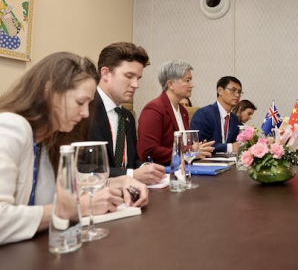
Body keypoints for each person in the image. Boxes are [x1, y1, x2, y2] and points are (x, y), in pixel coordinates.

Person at [0, 52, 148, 245]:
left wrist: (120, 181)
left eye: (88, 104)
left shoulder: (49, 140)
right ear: (49, 92)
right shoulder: (10, 127)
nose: (85, 113)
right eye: (80, 102)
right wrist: (77, 208)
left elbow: (72, 188)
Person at [89, 42, 165, 185]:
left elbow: (129, 161)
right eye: (129, 76)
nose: (136, 85)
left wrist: (145, 168)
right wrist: (132, 175)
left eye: (138, 78)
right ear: (105, 73)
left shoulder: (127, 116)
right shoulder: (84, 111)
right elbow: (82, 167)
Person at [137, 61, 214, 164]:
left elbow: (183, 146)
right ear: (170, 84)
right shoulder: (154, 109)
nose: (192, 85)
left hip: (183, 169)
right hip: (162, 173)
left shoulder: (183, 111)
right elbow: (149, 151)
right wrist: (188, 152)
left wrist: (197, 148)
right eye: (187, 80)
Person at [190, 76, 242, 153]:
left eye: (239, 92)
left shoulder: (234, 119)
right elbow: (199, 145)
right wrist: (229, 147)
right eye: (233, 90)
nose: (237, 95)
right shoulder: (203, 114)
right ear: (220, 90)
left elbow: (236, 144)